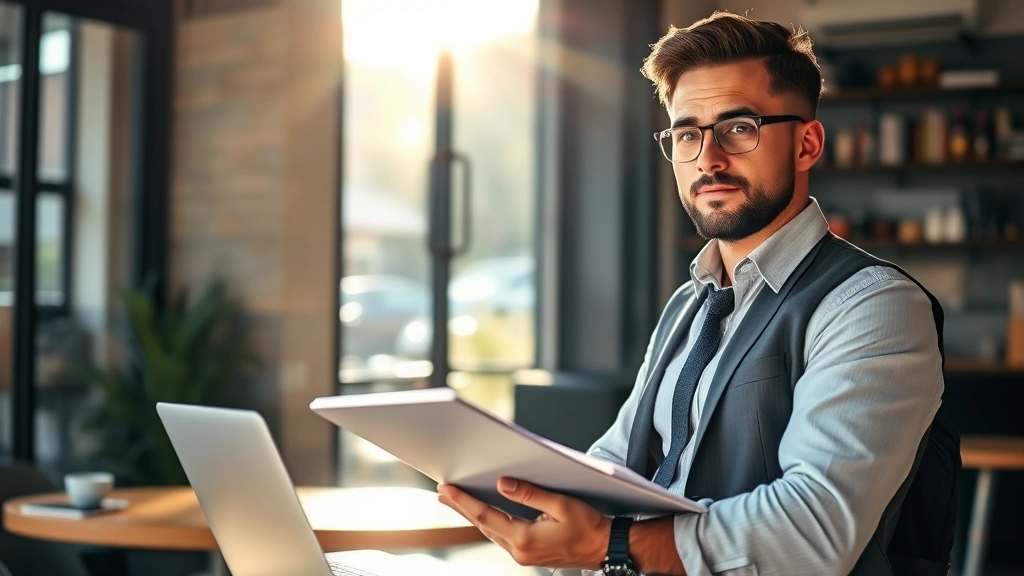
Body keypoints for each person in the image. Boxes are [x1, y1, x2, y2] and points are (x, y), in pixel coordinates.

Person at [437, 11, 949, 576]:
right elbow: (613, 464)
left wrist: (603, 546)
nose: (708, 158)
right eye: (687, 134)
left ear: (807, 144)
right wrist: (524, 498)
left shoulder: (873, 305)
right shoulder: (690, 303)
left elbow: (813, 529)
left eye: (739, 127)